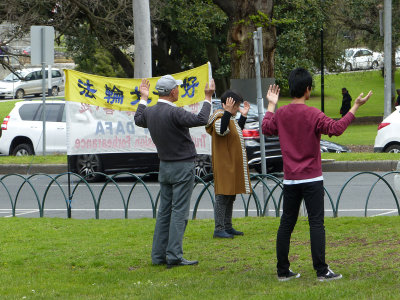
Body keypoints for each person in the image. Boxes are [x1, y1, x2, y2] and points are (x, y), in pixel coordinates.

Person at [262, 68, 372, 282]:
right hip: (312, 178)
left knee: (286, 223)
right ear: (307, 89)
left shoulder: (282, 113)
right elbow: (337, 128)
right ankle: (321, 270)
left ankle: (283, 271)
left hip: (290, 179)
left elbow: (266, 127)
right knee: (316, 223)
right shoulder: (313, 114)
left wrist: (272, 104)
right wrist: (356, 106)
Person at [134, 75, 215, 269]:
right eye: (177, 89)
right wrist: (208, 96)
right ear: (172, 92)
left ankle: (158, 255)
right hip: (182, 166)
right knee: (179, 212)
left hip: (165, 166)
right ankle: (174, 255)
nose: (179, 91)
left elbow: (138, 119)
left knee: (164, 212)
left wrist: (144, 98)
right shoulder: (175, 113)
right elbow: (201, 119)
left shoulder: (151, 112)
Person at [205, 91, 252, 239]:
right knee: (222, 196)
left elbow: (233, 131)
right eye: (235, 105)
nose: (237, 108)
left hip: (230, 162)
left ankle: (227, 226)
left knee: (230, 195)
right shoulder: (219, 116)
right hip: (224, 163)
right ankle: (219, 228)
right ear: (228, 104)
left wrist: (243, 116)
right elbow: (221, 129)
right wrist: (226, 111)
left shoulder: (228, 118)